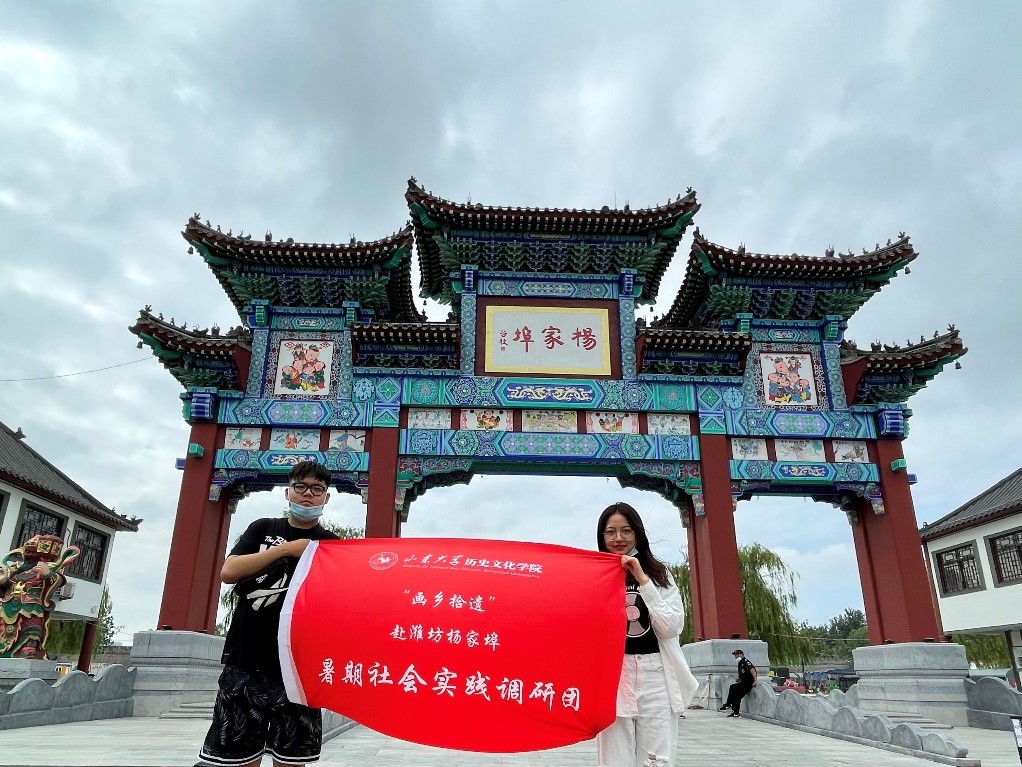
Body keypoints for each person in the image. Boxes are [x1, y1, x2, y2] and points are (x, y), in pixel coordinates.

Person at [198, 461, 339, 767]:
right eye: (300, 487)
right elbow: (229, 572)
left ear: (326, 497)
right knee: (238, 759)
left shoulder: (332, 545)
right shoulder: (262, 528)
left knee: (291, 759)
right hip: (245, 661)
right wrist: (286, 549)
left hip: (298, 667)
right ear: (288, 492)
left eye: (317, 489)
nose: (308, 494)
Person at [596, 502, 699, 767]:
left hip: (656, 674)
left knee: (656, 760)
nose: (618, 538)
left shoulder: (658, 573)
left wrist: (643, 580)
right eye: (610, 532)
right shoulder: (595, 576)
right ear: (602, 536)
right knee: (614, 758)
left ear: (637, 533)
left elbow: (670, 627)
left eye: (626, 530)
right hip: (614, 675)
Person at [720, 648, 758, 717]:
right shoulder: (740, 663)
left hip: (748, 683)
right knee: (736, 696)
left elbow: (752, 670)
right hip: (743, 682)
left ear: (741, 655)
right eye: (735, 656)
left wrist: (755, 681)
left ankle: (728, 704)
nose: (736, 657)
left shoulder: (746, 661)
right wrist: (739, 678)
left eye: (737, 655)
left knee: (732, 687)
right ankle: (736, 713)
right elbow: (742, 672)